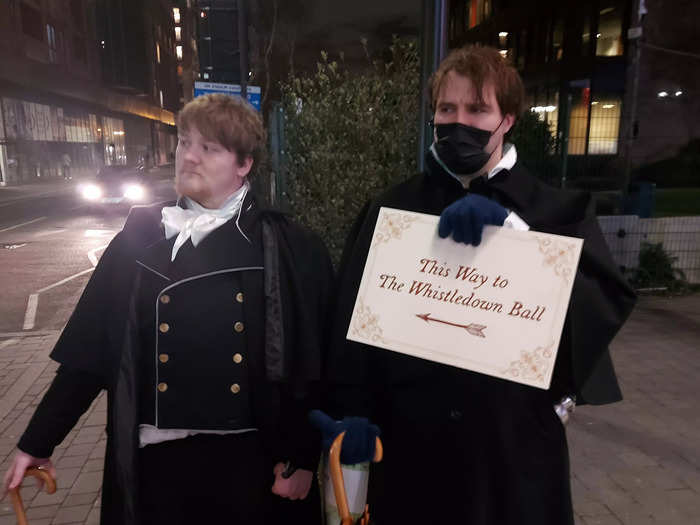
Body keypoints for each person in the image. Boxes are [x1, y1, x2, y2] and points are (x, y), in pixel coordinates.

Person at [325, 45, 636, 524]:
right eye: (447, 109)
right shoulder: (393, 209)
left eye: (476, 108)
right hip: (413, 448)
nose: (459, 121)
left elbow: (598, 311)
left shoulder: (558, 210)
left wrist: (519, 238)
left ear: (507, 119)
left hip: (512, 451)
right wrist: (353, 410)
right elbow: (354, 318)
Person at [2, 94, 333, 525]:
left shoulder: (287, 246)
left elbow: (316, 363)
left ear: (243, 164)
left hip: (252, 467)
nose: (189, 157)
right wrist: (37, 442)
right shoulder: (137, 240)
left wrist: (303, 458)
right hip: (158, 466)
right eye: (184, 143)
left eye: (209, 148)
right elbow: (89, 356)